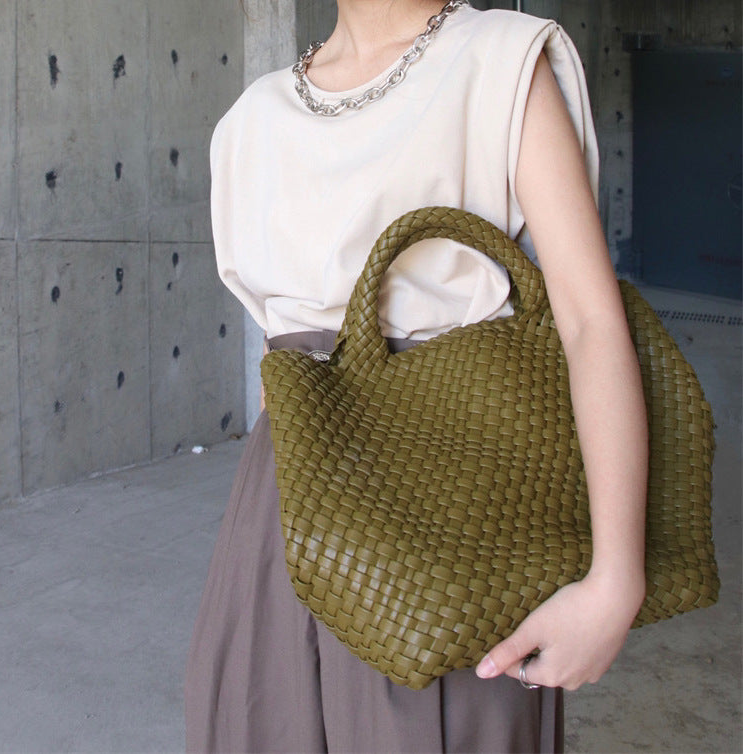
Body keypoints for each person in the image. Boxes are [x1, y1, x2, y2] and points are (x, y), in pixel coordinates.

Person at [185, 1, 648, 751]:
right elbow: (277, 358)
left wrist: (615, 576)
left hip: (453, 498)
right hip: (281, 514)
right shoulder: (252, 118)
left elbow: (591, 323)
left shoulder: (500, 59)